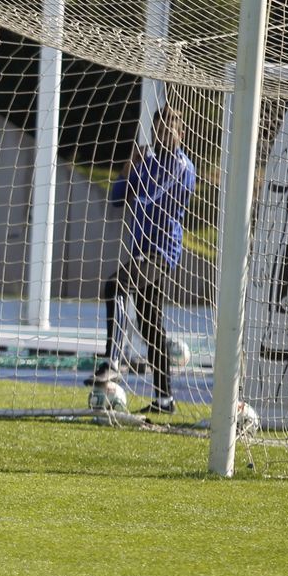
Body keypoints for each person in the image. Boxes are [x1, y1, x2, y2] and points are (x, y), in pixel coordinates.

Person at [99, 105, 197, 415]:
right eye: (158, 130)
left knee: (116, 285)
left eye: (169, 131)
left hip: (162, 252)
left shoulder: (183, 166)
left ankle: (113, 360)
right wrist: (128, 169)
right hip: (140, 251)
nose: (162, 135)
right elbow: (116, 198)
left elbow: (157, 198)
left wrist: (139, 181)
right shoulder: (146, 163)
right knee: (151, 326)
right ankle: (165, 400)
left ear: (181, 134)